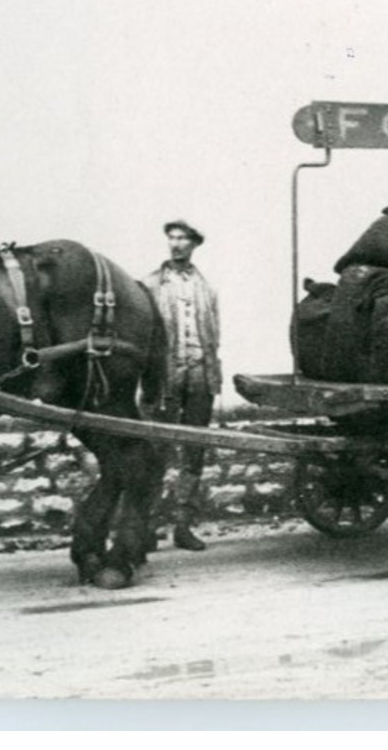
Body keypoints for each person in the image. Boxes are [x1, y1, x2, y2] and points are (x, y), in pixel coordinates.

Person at [141, 219, 221, 552]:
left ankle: (183, 526)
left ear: (194, 244)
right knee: (155, 452)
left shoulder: (206, 287)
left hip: (200, 376)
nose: (175, 244)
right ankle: (146, 526)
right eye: (171, 238)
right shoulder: (150, 285)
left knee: (193, 452)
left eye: (182, 239)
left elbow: (214, 335)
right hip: (165, 379)